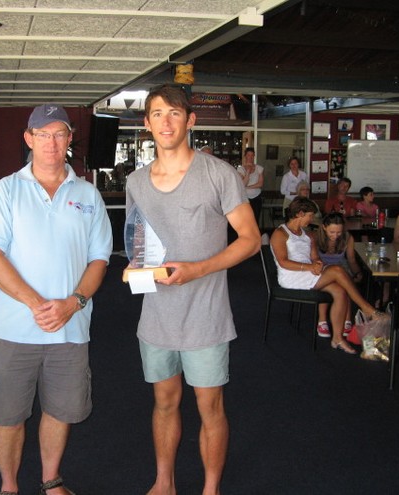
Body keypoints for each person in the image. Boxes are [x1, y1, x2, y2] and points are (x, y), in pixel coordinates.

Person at [125, 84, 260, 495]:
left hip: (206, 317)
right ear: (147, 124)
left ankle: (210, 488)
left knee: (210, 407)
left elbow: (251, 239)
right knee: (164, 403)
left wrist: (198, 268)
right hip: (157, 318)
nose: (166, 121)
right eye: (158, 114)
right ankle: (164, 481)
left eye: (175, 113)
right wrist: (135, 269)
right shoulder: (135, 182)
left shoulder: (219, 173)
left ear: (191, 120)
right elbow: (140, 244)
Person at [0, 103, 113, 495]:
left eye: (59, 134)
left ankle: (50, 480)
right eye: (43, 134)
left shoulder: (88, 194)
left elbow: (99, 259)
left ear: (70, 139)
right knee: (8, 416)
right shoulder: (5, 191)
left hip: (70, 329)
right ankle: (8, 486)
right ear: (28, 139)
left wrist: (72, 303)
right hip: (13, 328)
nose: (51, 143)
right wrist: (37, 303)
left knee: (60, 410)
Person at [270, 197, 385, 354]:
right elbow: (283, 262)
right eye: (310, 216)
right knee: (337, 270)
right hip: (291, 277)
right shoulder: (280, 233)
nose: (312, 219)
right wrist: (310, 266)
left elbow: (315, 257)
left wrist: (317, 264)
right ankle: (367, 309)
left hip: (308, 273)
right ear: (300, 214)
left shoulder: (307, 234)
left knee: (340, 291)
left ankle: (337, 338)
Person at [312, 212, 363, 339]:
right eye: (332, 232)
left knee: (346, 283)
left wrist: (357, 272)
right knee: (331, 282)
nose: (335, 235)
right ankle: (322, 320)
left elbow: (351, 260)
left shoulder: (347, 238)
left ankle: (347, 319)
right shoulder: (315, 238)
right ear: (324, 227)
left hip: (340, 266)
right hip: (322, 266)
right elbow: (314, 260)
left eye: (339, 232)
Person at [237, 146, 264, 226]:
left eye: (252, 155)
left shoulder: (259, 168)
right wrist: (248, 171)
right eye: (248, 155)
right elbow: (243, 184)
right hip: (245, 198)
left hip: (256, 197)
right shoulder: (240, 169)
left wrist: (248, 187)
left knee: (255, 220)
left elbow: (260, 184)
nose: (250, 157)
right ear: (245, 156)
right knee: (245, 220)